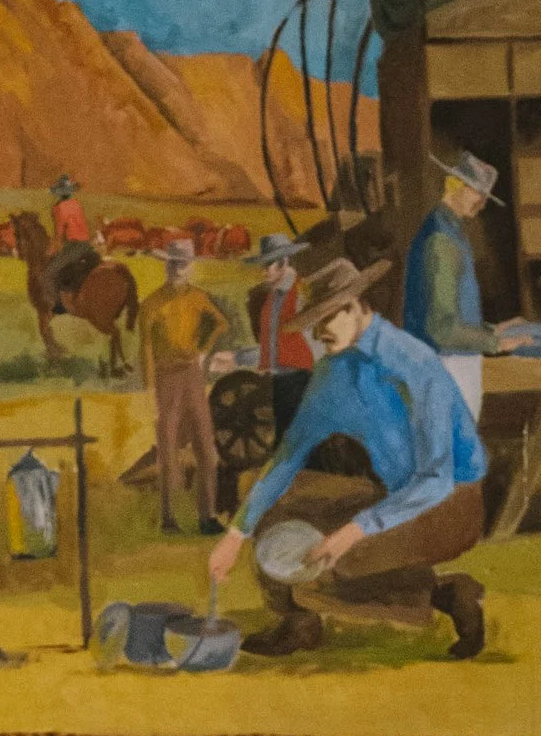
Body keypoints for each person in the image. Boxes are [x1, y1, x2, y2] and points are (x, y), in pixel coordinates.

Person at [208, 252, 489, 660]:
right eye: (312, 323)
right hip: (390, 495)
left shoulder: (413, 364)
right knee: (275, 513)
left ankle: (443, 594)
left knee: (336, 563)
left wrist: (352, 531)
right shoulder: (332, 375)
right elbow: (288, 458)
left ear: (354, 307)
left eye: (326, 319)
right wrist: (235, 536)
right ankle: (298, 623)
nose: (317, 333)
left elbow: (437, 480)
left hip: (450, 502)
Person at [400, 151, 538, 421]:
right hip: (444, 367)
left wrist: (493, 328)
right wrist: (496, 341)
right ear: (454, 184)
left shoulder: (450, 231)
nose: (482, 203)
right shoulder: (441, 241)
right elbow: (441, 328)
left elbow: (452, 315)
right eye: (478, 192)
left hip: (450, 364)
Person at [140, 233, 228, 535]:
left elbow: (220, 323)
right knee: (168, 447)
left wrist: (203, 349)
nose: (179, 268)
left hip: (192, 374)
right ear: (167, 266)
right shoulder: (151, 304)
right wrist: (149, 388)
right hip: (166, 379)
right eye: (175, 263)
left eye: (184, 264)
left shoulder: (197, 297)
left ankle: (208, 517)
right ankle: (168, 518)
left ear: (190, 266)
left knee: (205, 445)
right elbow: (146, 349)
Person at [250, 231, 314, 438]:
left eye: (267, 265)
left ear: (282, 263)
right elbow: (270, 338)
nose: (263, 271)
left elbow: (310, 332)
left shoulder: (300, 291)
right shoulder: (273, 296)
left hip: (299, 373)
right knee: (285, 433)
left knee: (293, 435)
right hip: (281, 375)